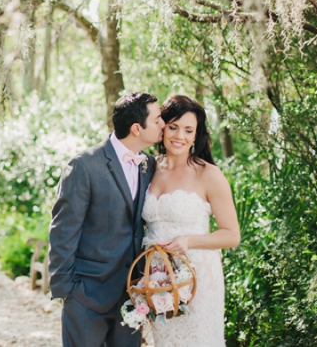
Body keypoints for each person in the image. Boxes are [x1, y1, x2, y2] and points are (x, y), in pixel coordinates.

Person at [49, 92, 165, 347]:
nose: (163, 125)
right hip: (87, 294)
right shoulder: (84, 166)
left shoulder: (149, 164)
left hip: (132, 296)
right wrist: (67, 290)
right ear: (137, 128)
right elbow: (63, 231)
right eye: (157, 120)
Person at [143, 95, 241, 347]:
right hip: (158, 278)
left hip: (198, 277)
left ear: (196, 136)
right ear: (163, 127)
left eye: (189, 130)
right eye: (173, 127)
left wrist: (188, 240)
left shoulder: (208, 174)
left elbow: (231, 235)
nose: (179, 136)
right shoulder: (148, 169)